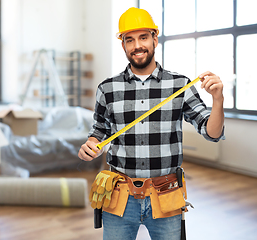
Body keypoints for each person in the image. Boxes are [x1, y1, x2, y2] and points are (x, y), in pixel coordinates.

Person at [78, 7, 225, 240]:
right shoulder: (107, 88)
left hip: (166, 195)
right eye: (130, 39)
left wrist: (217, 100)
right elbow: (99, 131)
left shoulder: (180, 85)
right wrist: (91, 144)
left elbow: (212, 132)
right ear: (123, 45)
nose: (137, 45)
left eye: (143, 37)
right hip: (119, 197)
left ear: (155, 39)